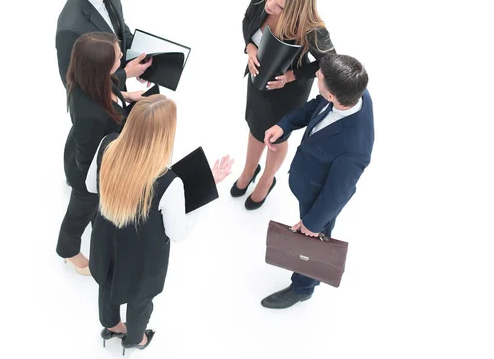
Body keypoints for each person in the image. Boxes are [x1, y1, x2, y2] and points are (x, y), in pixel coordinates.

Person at [84, 95, 233, 353]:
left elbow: (90, 185)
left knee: (107, 285)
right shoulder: (169, 183)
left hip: (106, 241)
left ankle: (111, 325)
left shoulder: (106, 145)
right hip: (143, 260)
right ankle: (135, 339)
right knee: (140, 301)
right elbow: (178, 233)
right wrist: (205, 194)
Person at [261, 53, 374, 309]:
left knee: (313, 241)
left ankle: (303, 288)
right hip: (307, 176)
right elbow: (316, 105)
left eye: (320, 77)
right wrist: (285, 125)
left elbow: (339, 192)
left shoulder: (356, 147)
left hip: (318, 196)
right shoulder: (352, 92)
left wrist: (313, 224)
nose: (316, 75)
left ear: (334, 95)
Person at [232, 0, 335, 210]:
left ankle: (267, 179)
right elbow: (247, 20)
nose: (269, 5)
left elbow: (328, 62)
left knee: (276, 136)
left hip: (287, 92)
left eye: (279, 6)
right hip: (258, 78)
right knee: (255, 126)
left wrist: (290, 76)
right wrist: (249, 48)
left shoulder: (311, 29)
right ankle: (250, 170)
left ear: (296, 11)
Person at [57, 32, 145, 275]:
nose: (122, 58)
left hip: (90, 155)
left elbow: (110, 84)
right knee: (79, 213)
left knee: (96, 209)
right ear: (101, 67)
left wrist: (125, 96)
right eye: (118, 57)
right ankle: (68, 250)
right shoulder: (90, 115)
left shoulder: (91, 80)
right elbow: (88, 162)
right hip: (88, 175)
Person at [56, 0, 151, 89]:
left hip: (120, 95)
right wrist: (125, 74)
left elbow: (119, 30)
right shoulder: (70, 29)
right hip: (99, 109)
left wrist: (141, 59)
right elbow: (75, 88)